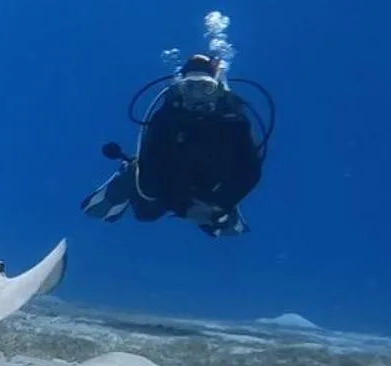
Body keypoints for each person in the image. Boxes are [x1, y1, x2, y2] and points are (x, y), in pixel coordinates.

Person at [79, 53, 273, 237]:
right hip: (167, 181)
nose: (197, 96)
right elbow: (150, 165)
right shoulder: (166, 118)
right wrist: (183, 207)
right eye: (190, 87)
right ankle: (129, 173)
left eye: (205, 88)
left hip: (211, 186)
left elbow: (250, 170)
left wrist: (223, 203)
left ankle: (221, 213)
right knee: (145, 213)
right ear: (179, 88)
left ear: (217, 89)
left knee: (214, 216)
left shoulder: (234, 121)